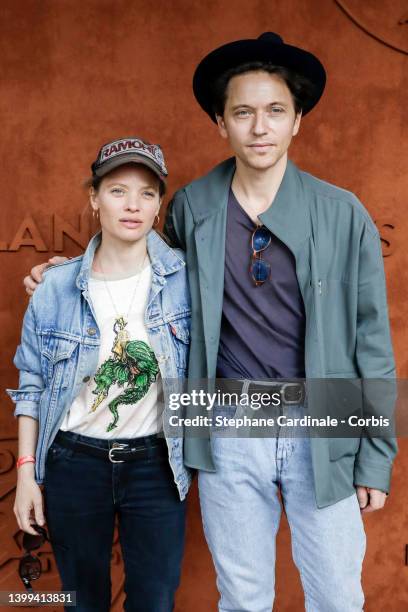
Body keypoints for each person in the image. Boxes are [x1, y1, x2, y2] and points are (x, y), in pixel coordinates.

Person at [24, 33, 397, 611]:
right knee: (242, 598)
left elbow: (372, 338)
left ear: (297, 120)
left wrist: (375, 453)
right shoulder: (194, 207)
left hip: (323, 416)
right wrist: (62, 275)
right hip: (225, 417)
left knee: (337, 595)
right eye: (242, 112)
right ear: (220, 123)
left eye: (275, 111)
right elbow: (141, 271)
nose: (259, 127)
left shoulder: (342, 211)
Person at [8, 136, 192, 612]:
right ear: (94, 199)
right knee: (81, 602)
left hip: (157, 465)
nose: (132, 204)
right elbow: (32, 384)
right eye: (117, 190)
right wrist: (28, 475)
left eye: (147, 193)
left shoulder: (187, 283)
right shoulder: (54, 288)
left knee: (154, 601)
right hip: (75, 463)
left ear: (158, 207)